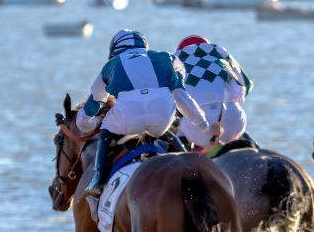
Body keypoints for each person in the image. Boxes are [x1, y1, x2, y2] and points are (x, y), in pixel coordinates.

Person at [77, 29, 218, 198]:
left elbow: (93, 105)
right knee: (167, 133)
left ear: (114, 51)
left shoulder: (111, 65)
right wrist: (204, 125)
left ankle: (99, 179)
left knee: (107, 127)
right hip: (162, 120)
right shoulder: (168, 58)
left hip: (127, 121)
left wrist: (91, 124)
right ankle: (190, 169)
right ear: (144, 47)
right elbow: (182, 97)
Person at [174, 35, 254, 152]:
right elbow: (247, 85)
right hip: (234, 121)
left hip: (197, 128)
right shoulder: (223, 57)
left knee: (174, 132)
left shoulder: (174, 62)